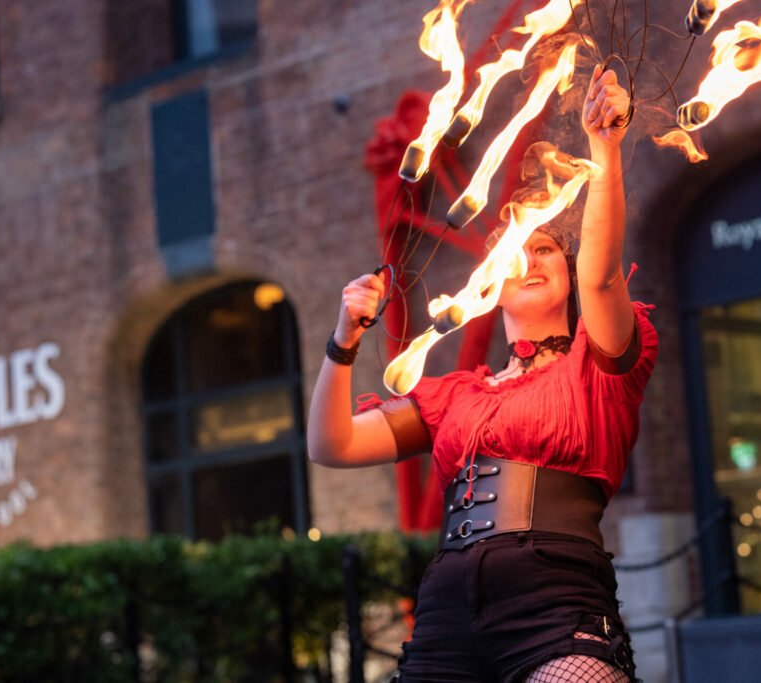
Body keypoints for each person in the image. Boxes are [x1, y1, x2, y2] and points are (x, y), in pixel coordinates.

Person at [308, 65, 657, 683]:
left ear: (565, 271)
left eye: (545, 247)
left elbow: (602, 276)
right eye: (516, 249)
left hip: (553, 597)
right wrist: (342, 343)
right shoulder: (456, 395)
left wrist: (604, 146)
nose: (530, 258)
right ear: (488, 285)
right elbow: (330, 445)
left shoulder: (596, 362)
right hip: (446, 607)